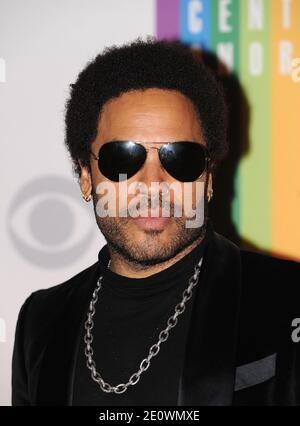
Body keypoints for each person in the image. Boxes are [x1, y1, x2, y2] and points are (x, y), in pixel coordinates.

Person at [12, 37, 300, 406]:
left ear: (208, 178)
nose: (153, 184)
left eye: (181, 158)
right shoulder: (41, 320)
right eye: (122, 159)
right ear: (86, 175)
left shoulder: (288, 299)